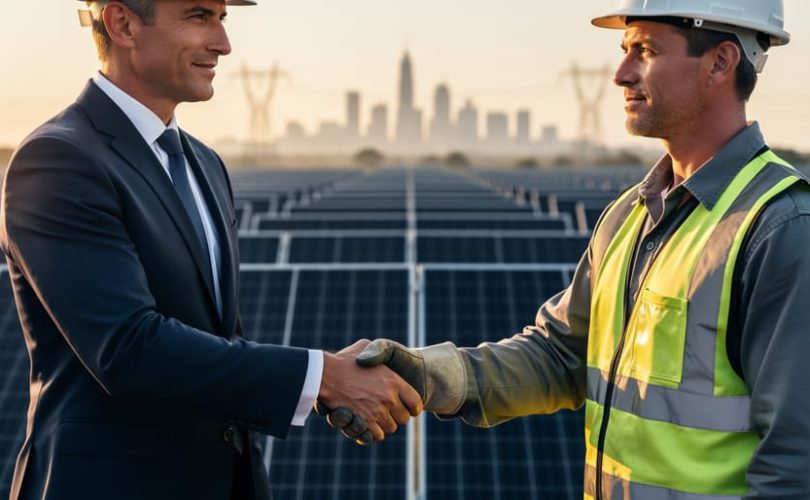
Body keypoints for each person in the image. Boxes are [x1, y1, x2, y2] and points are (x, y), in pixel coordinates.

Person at [325, 0, 810, 498]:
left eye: (645, 51)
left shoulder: (779, 229)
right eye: (625, 51)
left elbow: (797, 460)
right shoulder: (631, 215)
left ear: (721, 61)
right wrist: (436, 375)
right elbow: (561, 356)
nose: (621, 73)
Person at [0, 1, 420, 499]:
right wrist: (322, 376)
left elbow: (215, 338)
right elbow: (127, 349)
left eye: (224, 19)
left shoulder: (204, 164)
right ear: (123, 23)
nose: (223, 43)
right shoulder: (58, 160)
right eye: (200, 16)